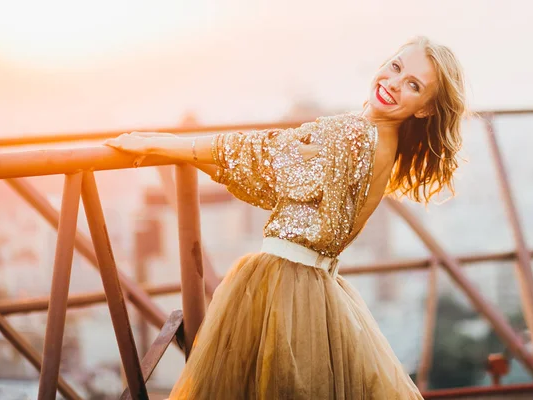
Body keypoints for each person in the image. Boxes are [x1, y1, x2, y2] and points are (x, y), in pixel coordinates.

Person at [105, 36, 466, 399]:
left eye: (413, 85)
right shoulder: (386, 142)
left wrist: (160, 143)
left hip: (284, 285)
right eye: (396, 66)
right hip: (320, 289)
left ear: (424, 109)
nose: (393, 83)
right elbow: (282, 175)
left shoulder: (354, 133)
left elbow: (268, 153)